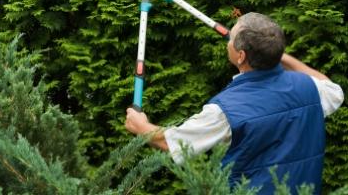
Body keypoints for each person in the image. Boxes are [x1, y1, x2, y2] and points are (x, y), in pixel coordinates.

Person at [125, 12, 344, 194]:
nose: (227, 40)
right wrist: (277, 55)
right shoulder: (310, 88)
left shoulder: (225, 110)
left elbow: (173, 143)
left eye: (231, 37)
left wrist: (141, 127)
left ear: (241, 56)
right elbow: (330, 86)